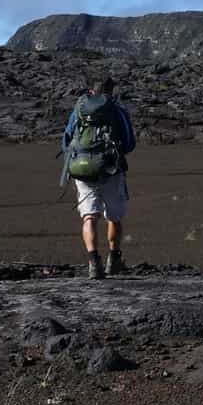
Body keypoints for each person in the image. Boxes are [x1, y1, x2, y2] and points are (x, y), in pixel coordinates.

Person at [61, 78, 137, 279]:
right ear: (111, 91)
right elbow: (129, 142)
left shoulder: (79, 109)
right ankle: (114, 260)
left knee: (89, 216)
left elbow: (67, 138)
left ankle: (94, 263)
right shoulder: (117, 110)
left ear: (91, 91)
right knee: (114, 217)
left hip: (82, 169)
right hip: (111, 170)